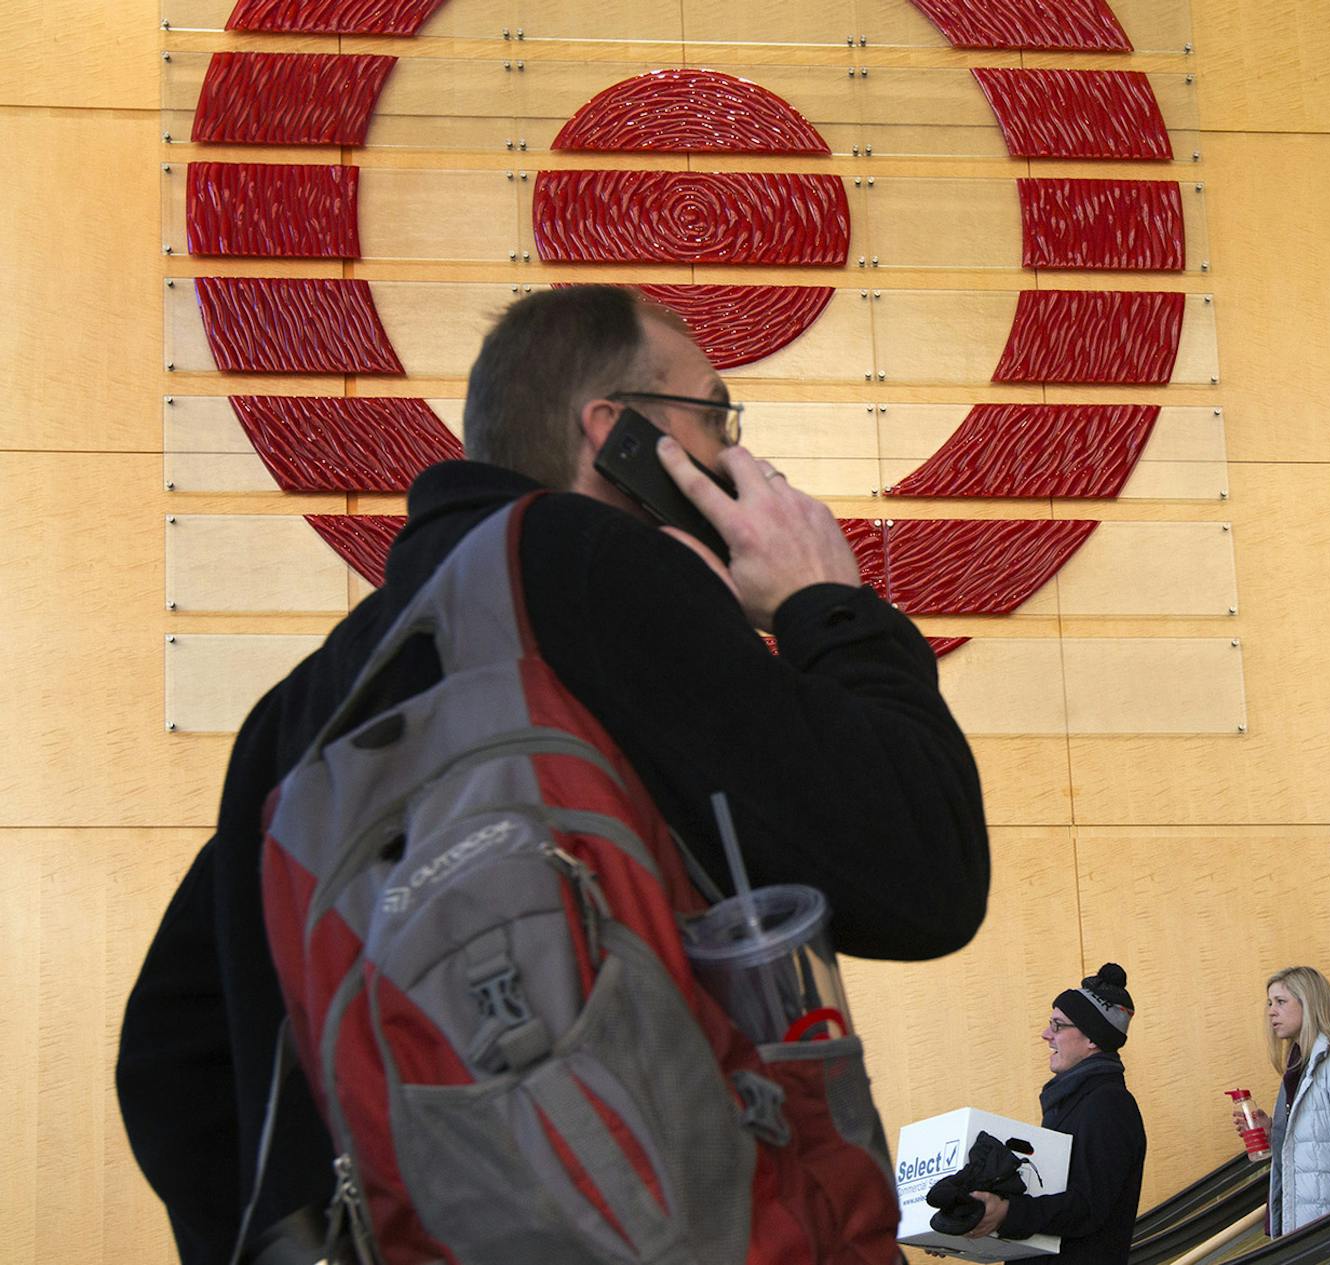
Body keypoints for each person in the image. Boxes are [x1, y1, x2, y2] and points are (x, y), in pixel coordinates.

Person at [114, 286, 993, 1265]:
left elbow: (170, 1051)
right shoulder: (589, 564)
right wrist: (825, 599)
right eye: (714, 416)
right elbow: (925, 870)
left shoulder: (301, 706)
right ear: (616, 436)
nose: (741, 459)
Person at [967, 964, 1148, 1264]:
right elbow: (1048, 1197)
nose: (1045, 1034)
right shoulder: (1073, 1101)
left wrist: (1007, 1213)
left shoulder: (1109, 1106)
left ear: (1093, 1039)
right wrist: (961, 1224)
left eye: (1058, 1025)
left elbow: (1086, 1206)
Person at [1235, 966, 1330, 1235]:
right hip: (1311, 1224)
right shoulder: (1299, 1068)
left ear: (1309, 1003)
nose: (1271, 1012)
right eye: (1269, 1003)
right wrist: (1273, 1132)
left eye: (1281, 1002)